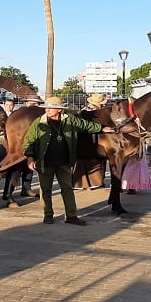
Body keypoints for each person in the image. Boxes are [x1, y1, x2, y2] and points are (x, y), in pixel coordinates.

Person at [23, 96, 115, 225]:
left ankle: (71, 216)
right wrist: (30, 157)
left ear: (59, 109)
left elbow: (86, 125)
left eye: (50, 108)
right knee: (45, 189)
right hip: (45, 163)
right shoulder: (39, 122)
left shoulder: (70, 120)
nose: (47, 110)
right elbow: (29, 141)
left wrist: (102, 128)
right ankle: (48, 214)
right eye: (46, 108)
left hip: (64, 162)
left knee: (67, 189)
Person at [73, 93, 108, 190]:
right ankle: (92, 182)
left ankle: (86, 183)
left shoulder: (84, 112)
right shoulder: (92, 113)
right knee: (90, 160)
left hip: (87, 138)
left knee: (85, 160)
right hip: (90, 137)